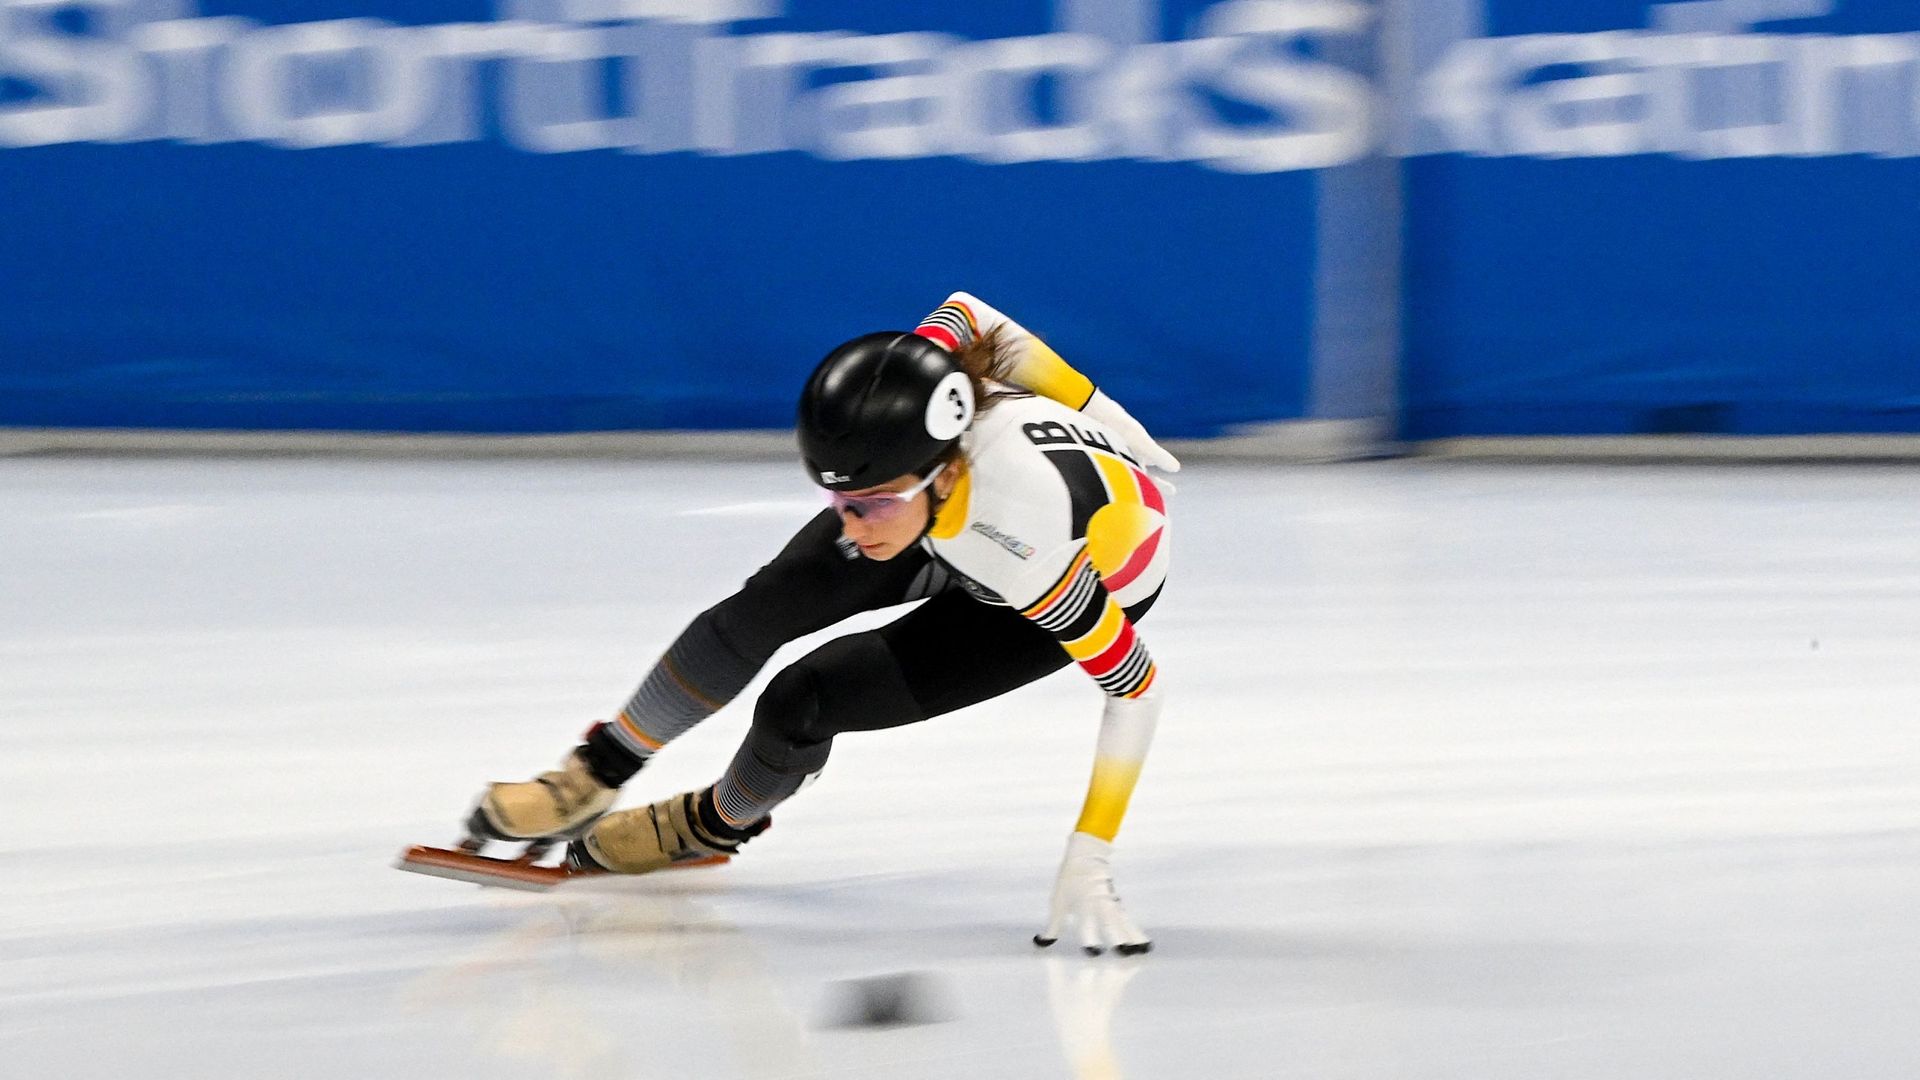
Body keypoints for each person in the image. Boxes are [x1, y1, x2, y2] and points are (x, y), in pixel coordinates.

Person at [467, 293, 1179, 955]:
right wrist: (1107, 411)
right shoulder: (914, 394)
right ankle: (594, 774)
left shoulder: (1030, 549)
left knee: (803, 703)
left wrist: (1092, 850)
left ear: (941, 476)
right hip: (963, 518)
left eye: (866, 505)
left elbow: (1137, 687)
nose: (847, 523)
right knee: (768, 603)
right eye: (835, 499)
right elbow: (967, 314)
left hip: (1049, 577)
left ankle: (715, 822)